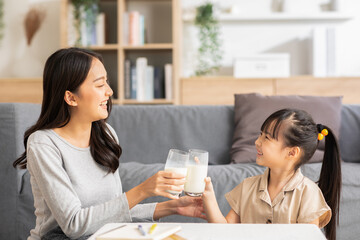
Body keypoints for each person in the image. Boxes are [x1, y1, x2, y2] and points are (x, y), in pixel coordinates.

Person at [13, 47, 205, 240]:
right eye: (99, 85)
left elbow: (110, 213)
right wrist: (143, 190)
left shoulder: (106, 135)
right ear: (71, 97)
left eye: (107, 82)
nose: (110, 91)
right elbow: (73, 225)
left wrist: (171, 207)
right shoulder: (43, 144)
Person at [202, 108, 341, 240]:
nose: (257, 142)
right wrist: (208, 197)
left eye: (266, 138)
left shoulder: (308, 194)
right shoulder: (247, 187)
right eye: (260, 135)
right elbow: (224, 232)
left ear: (292, 152)